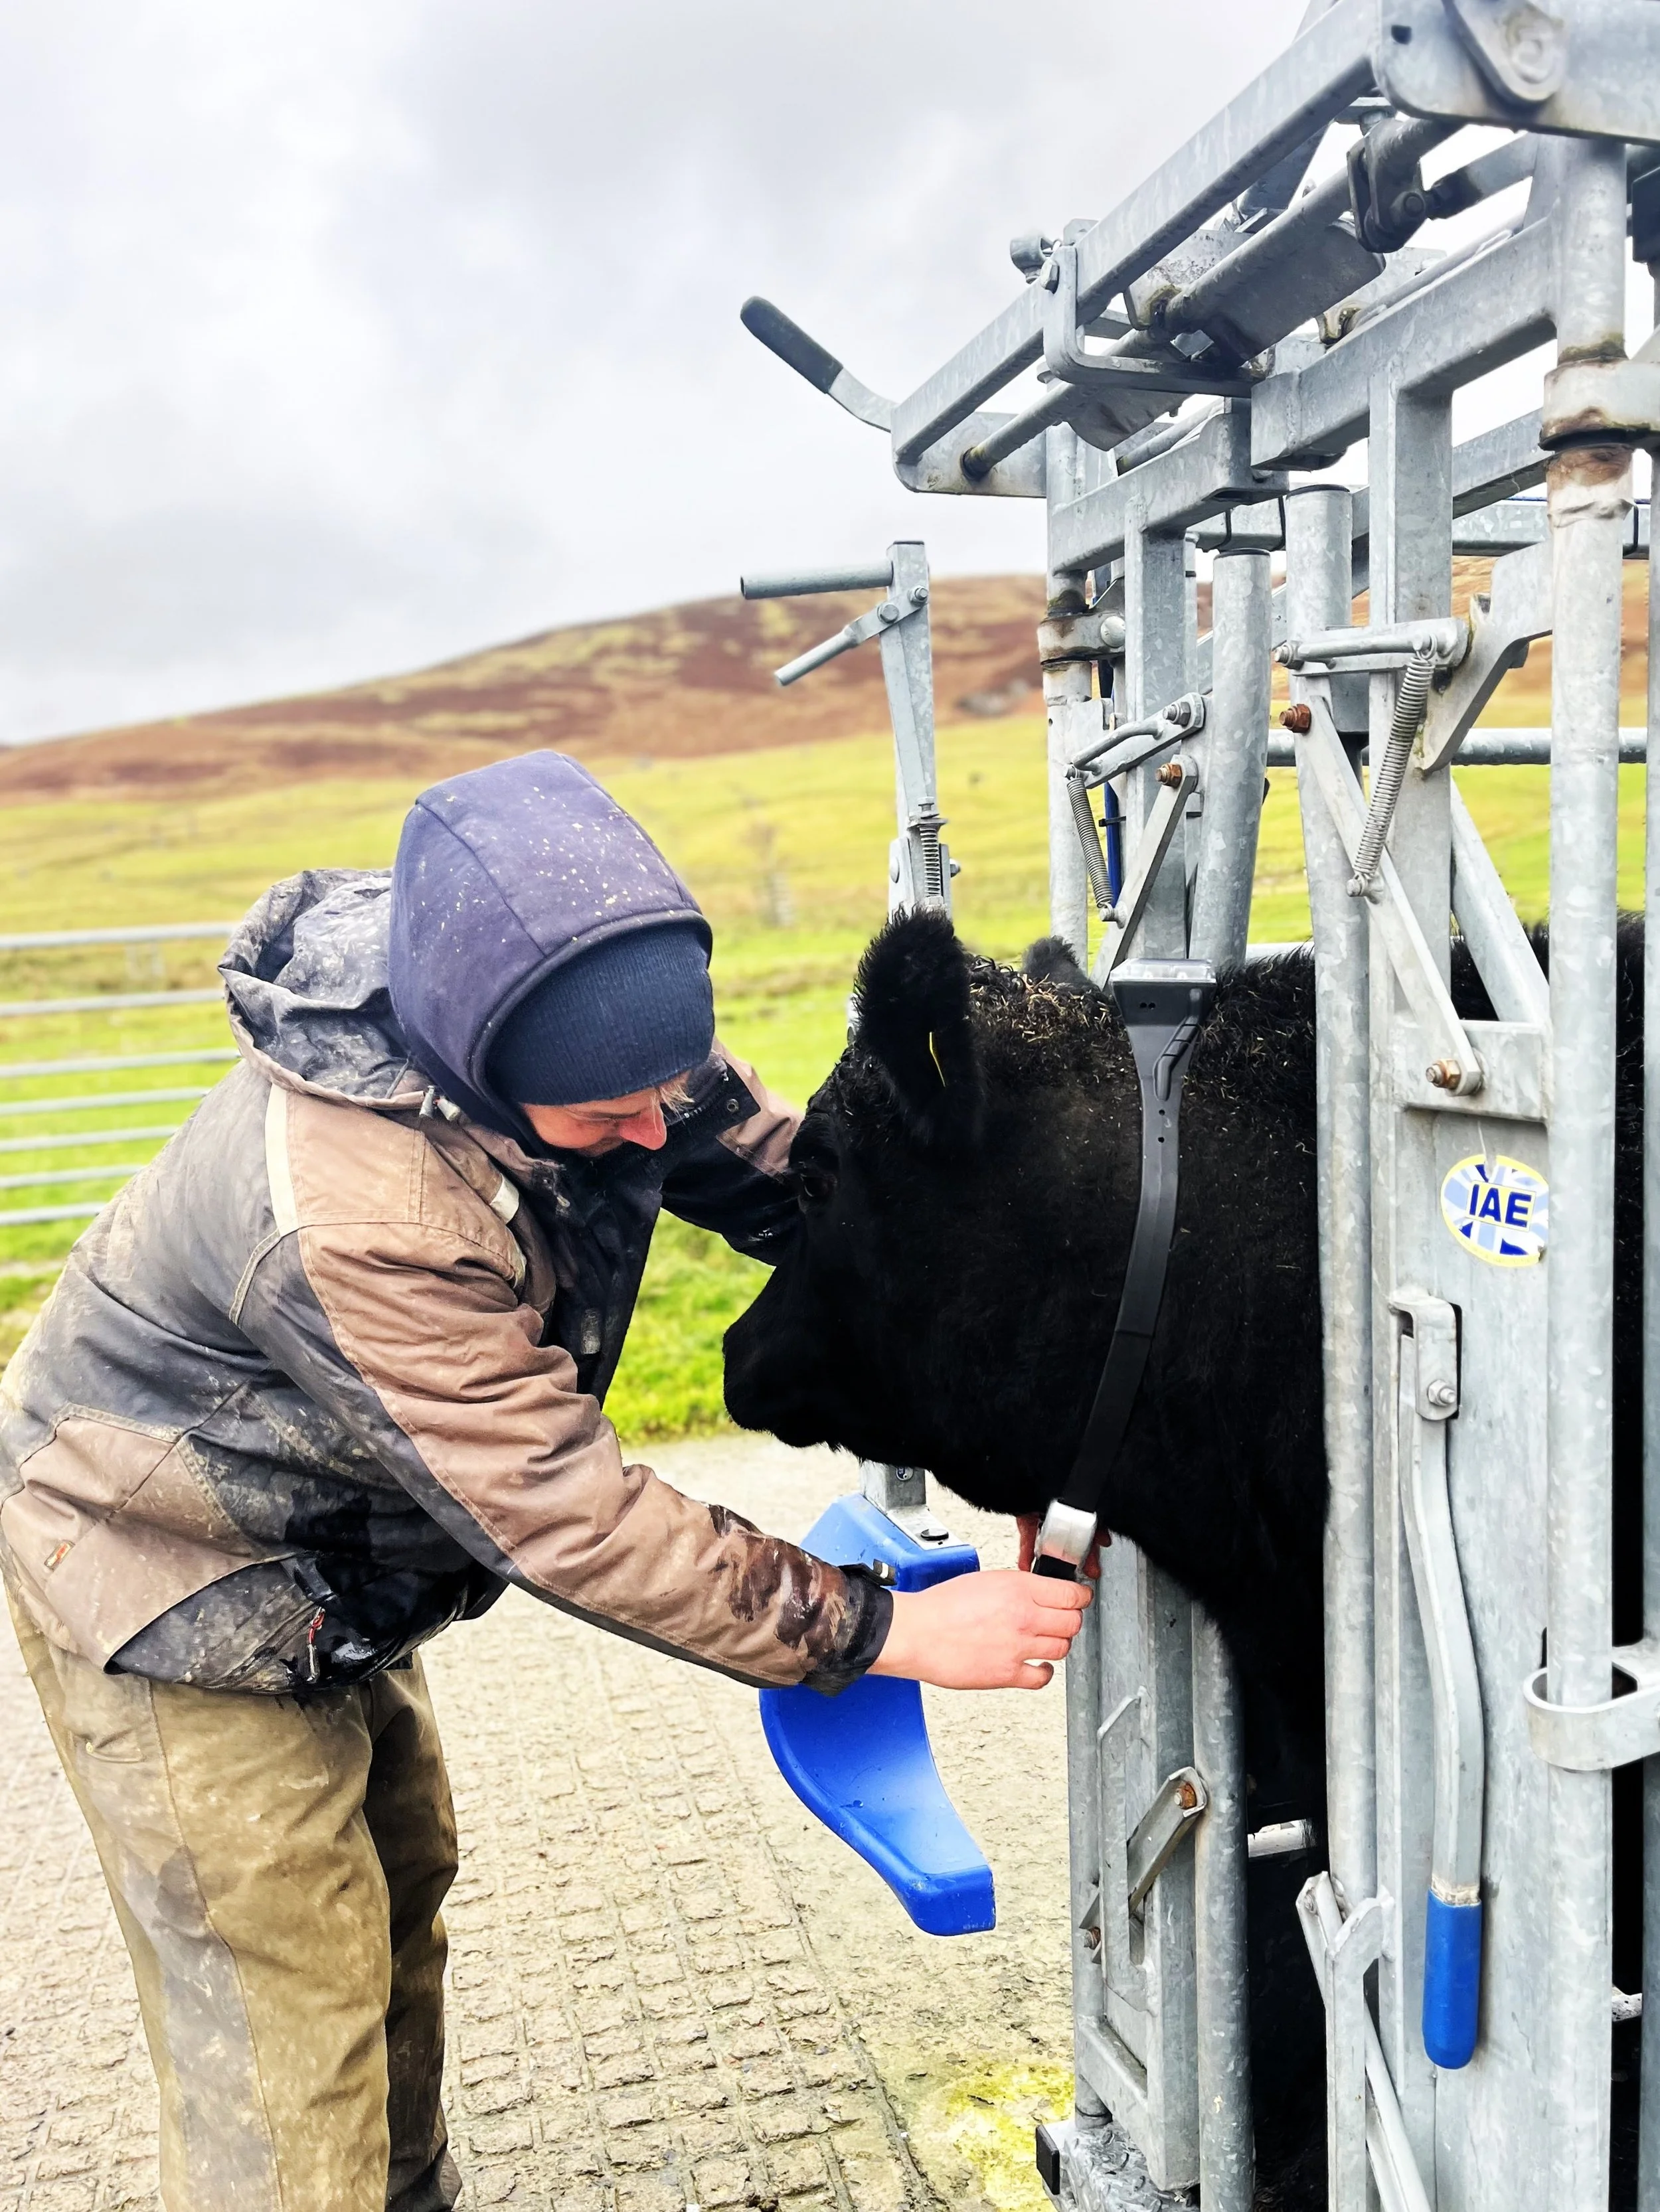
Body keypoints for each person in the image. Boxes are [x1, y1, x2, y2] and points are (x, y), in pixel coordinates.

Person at [0, 750, 1089, 2212]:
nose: (657, 1133)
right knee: (289, 1995)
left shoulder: (588, 1024)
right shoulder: (364, 1215)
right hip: (165, 1561)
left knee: (400, 1884)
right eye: (610, 1119)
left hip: (328, 1553)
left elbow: (803, 1188)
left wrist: (1009, 1368)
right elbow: (566, 1513)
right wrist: (879, 1626)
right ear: (480, 1074)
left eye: (667, 1091)